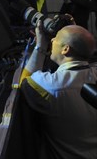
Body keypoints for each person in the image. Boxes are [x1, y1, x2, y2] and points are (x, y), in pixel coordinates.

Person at [19, 23, 97, 158]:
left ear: (65, 49)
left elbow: (23, 82)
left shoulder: (51, 86)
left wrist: (41, 46)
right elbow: (81, 42)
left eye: (56, 38)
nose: (52, 40)